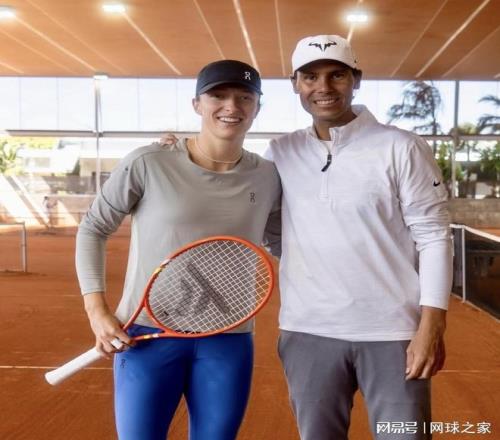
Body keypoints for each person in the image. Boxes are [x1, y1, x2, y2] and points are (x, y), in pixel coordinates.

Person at [75, 60, 281, 440]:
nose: (231, 106)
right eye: (218, 96)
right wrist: (97, 311)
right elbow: (93, 228)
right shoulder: (149, 162)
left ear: (257, 107)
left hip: (228, 339)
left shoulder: (268, 176)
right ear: (197, 104)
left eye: (244, 97)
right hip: (146, 334)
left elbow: (285, 242)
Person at [266, 35, 452, 439]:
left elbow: (435, 237)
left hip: (394, 333)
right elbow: (269, 226)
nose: (323, 87)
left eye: (337, 75)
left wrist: (431, 327)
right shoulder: (280, 153)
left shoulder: (401, 147)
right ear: (295, 84)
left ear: (356, 79)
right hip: (307, 332)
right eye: (310, 76)